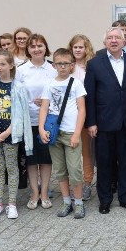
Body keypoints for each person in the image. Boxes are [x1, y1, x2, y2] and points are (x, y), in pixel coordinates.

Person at [85, 27, 126, 214]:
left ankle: (125, 198)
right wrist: (91, 122)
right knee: (104, 162)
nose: (113, 41)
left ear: (124, 41)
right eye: (109, 38)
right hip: (103, 123)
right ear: (104, 42)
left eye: (117, 38)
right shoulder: (94, 64)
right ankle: (104, 199)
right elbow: (90, 96)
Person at [0, 49, 33, 220]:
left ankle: (11, 204)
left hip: (10, 135)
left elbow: (20, 115)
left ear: (11, 65)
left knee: (12, 168)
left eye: (3, 64)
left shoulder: (18, 87)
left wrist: (6, 133)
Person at [39, 48, 88, 219]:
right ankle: (67, 201)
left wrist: (76, 134)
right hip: (54, 133)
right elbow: (44, 108)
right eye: (59, 63)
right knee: (60, 170)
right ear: (53, 65)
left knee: (75, 170)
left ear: (72, 65)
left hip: (70, 133)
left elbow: (82, 110)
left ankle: (79, 202)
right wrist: (41, 129)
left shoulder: (76, 84)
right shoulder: (49, 84)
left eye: (66, 64)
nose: (62, 67)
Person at [17, 33, 57, 209]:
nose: (36, 49)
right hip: (29, 120)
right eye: (32, 46)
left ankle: (45, 192)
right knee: (32, 159)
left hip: (48, 121)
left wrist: (47, 100)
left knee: (46, 159)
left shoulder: (53, 69)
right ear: (28, 50)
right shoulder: (21, 70)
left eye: (40, 45)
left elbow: (59, 94)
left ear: (45, 48)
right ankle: (34, 193)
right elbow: (16, 94)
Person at [69, 34, 96, 200]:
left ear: (87, 49)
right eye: (75, 47)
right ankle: (74, 184)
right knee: (71, 153)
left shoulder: (91, 67)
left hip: (85, 114)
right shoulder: (67, 67)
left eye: (81, 47)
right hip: (68, 116)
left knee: (86, 153)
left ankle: (87, 183)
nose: (78, 50)